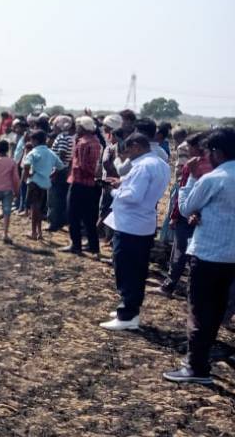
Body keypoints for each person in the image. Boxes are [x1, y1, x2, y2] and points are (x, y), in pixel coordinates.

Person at [161, 128, 235, 384]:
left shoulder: (213, 179)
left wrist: (191, 178)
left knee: (200, 311)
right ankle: (200, 360)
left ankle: (196, 367)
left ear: (217, 152)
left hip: (208, 254)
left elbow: (186, 207)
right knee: (216, 310)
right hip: (231, 257)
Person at [98, 133, 171, 331]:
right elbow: (141, 191)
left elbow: (133, 196)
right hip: (143, 224)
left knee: (126, 271)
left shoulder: (142, 166)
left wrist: (113, 191)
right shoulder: (160, 163)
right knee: (137, 271)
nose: (128, 155)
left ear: (137, 146)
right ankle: (131, 309)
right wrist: (122, 184)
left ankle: (127, 315)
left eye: (129, 150)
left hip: (130, 224)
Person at [158, 133, 213, 297]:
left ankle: (169, 286)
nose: (187, 150)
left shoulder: (192, 166)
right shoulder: (216, 167)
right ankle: (194, 290)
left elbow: (183, 193)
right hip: (204, 217)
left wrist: (174, 216)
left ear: (199, 147)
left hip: (187, 214)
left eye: (190, 147)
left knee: (180, 252)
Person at [62, 116, 102, 256]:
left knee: (73, 215)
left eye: (78, 126)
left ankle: (76, 245)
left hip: (78, 183)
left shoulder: (82, 143)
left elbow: (82, 166)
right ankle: (94, 246)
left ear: (83, 128)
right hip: (91, 184)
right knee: (90, 217)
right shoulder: (96, 142)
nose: (76, 128)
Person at [21, 130, 65, 241]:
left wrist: (27, 175)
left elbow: (26, 165)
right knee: (39, 208)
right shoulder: (51, 153)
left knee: (33, 208)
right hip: (45, 184)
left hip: (34, 182)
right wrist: (51, 174)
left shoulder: (33, 152)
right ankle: (39, 232)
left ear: (35, 141)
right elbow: (60, 166)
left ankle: (33, 232)